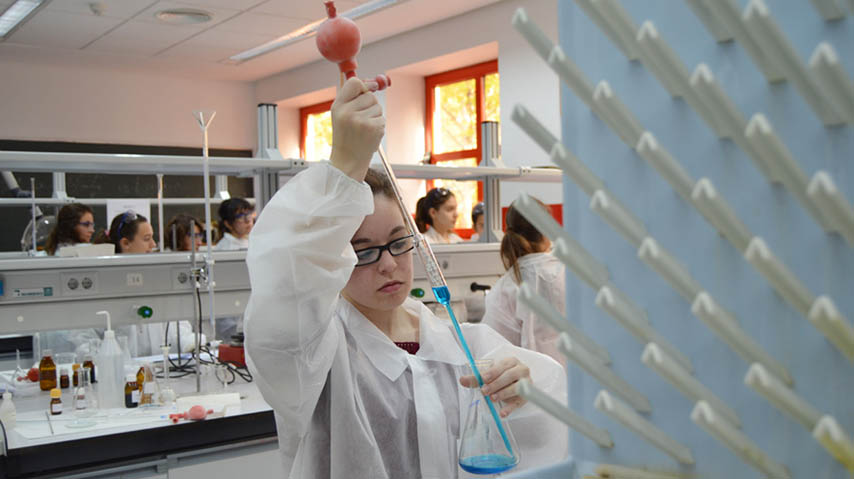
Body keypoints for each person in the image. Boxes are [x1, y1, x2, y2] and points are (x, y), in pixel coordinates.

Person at [245, 78, 566, 479]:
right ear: (333, 258)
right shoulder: (315, 356)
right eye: (363, 251)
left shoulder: (462, 345)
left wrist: (525, 389)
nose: (387, 264)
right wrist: (344, 164)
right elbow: (286, 281)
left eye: (399, 242)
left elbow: (556, 402)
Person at [483, 199, 566, 367]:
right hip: (575, 384)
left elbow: (490, 351)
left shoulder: (503, 289)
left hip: (525, 386)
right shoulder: (568, 273)